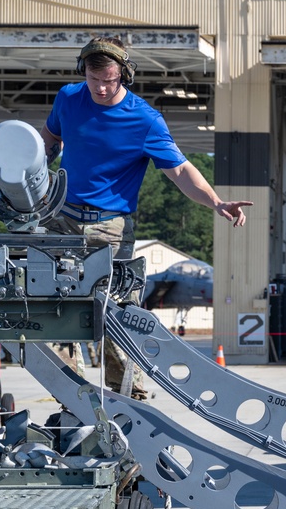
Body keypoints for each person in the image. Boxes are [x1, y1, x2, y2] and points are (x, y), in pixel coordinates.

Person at [39, 37, 251, 395]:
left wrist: (216, 203)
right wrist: (29, 169)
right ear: (83, 74)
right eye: (95, 80)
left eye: (110, 80)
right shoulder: (68, 98)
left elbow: (181, 171)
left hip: (110, 226)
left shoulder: (144, 120)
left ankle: (130, 401)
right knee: (55, 306)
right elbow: (50, 138)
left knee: (115, 314)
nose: (103, 89)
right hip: (61, 216)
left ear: (124, 74)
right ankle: (67, 396)